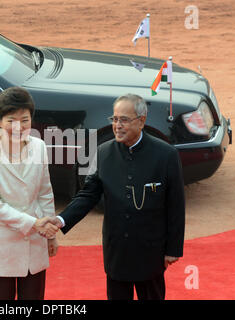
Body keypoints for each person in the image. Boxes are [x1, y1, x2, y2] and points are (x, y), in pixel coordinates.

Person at [47, 93, 185, 300]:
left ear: (142, 121)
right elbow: (88, 194)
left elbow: (176, 205)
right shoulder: (103, 152)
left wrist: (173, 249)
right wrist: (60, 219)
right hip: (117, 251)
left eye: (124, 120)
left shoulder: (166, 155)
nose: (117, 125)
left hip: (151, 251)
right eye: (115, 119)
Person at [0, 87, 59, 300]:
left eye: (25, 120)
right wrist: (32, 223)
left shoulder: (40, 147)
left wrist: (50, 234)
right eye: (11, 120)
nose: (19, 126)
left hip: (35, 239)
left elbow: (45, 192)